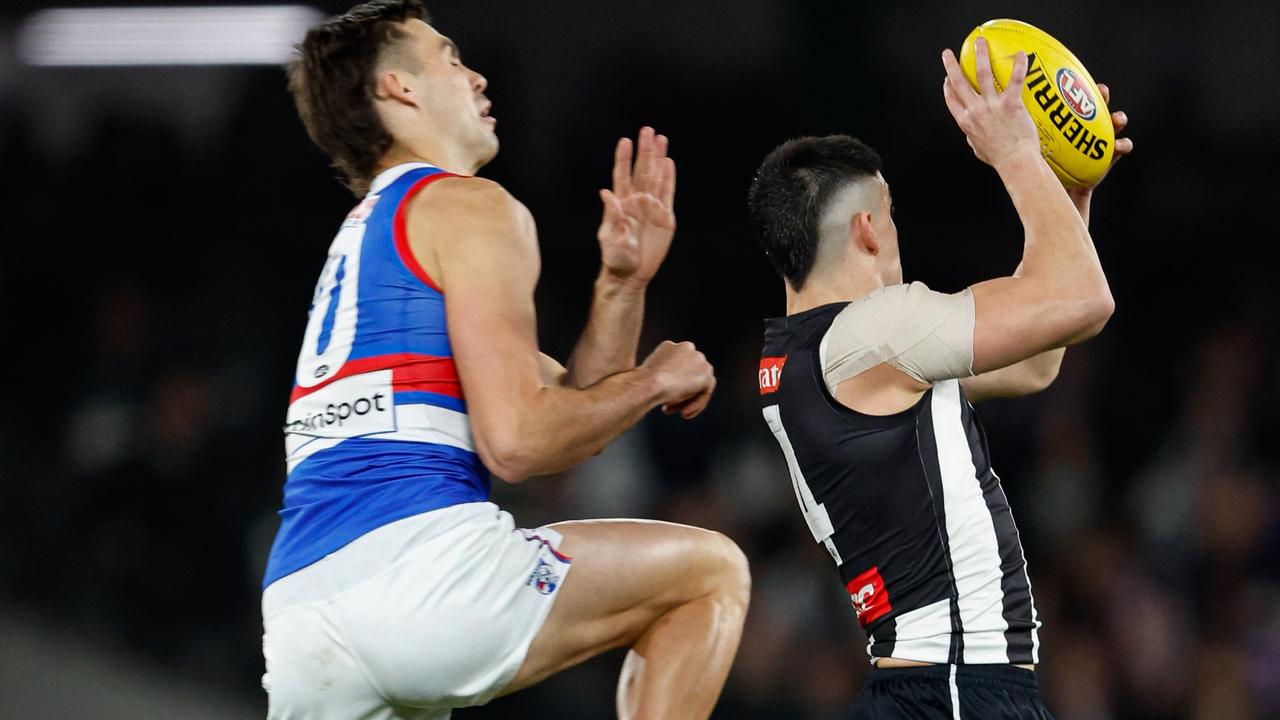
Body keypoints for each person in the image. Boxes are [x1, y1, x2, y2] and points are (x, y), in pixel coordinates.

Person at [260, 2, 750, 718]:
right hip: (423, 575)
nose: (478, 76)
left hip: (303, 613)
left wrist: (621, 285)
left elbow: (572, 414)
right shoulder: (472, 207)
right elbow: (520, 442)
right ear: (399, 88)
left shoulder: (365, 238)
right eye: (451, 58)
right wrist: (654, 380)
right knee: (711, 572)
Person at [747, 39, 1132, 718]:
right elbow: (1086, 299)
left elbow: (1040, 358)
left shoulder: (826, 356)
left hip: (932, 688)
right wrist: (1017, 153)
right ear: (867, 229)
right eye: (891, 216)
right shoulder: (873, 336)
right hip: (956, 689)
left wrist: (1069, 190)